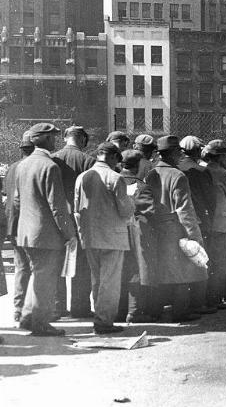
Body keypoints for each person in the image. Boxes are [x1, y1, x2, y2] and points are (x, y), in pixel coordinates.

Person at [9, 123, 77, 336]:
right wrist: (69, 234)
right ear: (46, 140)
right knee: (45, 279)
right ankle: (40, 323)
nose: (55, 139)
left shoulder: (22, 165)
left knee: (36, 274)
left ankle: (28, 317)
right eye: (53, 136)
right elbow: (57, 207)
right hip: (46, 235)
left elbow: (17, 201)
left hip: (26, 232)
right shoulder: (50, 166)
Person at [74, 142, 135, 334]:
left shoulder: (82, 177)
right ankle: (104, 321)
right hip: (113, 237)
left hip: (90, 236)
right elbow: (125, 210)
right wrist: (131, 200)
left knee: (97, 278)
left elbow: (77, 210)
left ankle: (99, 315)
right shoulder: (115, 178)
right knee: (110, 281)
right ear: (114, 157)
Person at [146, 136, 207, 322]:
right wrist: (194, 235)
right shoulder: (178, 175)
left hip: (155, 226)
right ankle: (180, 312)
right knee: (181, 271)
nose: (181, 155)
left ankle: (156, 311)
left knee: (161, 269)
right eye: (178, 152)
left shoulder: (150, 173)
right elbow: (184, 209)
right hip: (175, 227)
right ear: (172, 153)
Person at [52, 125, 95, 318]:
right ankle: (81, 308)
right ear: (83, 139)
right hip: (81, 220)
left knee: (58, 264)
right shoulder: (89, 161)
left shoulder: (52, 159)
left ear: (64, 138)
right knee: (82, 266)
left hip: (57, 220)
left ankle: (58, 307)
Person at [118, 149, 159, 322]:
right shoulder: (142, 186)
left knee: (119, 271)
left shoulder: (114, 182)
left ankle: (118, 312)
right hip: (136, 233)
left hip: (117, 231)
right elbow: (150, 211)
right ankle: (134, 312)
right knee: (136, 269)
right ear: (138, 165)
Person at [177, 136, 217, 314]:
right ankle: (199, 302)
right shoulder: (201, 171)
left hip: (176, 221)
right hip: (200, 219)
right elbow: (211, 200)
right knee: (201, 259)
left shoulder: (176, 169)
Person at [203, 140, 226, 309]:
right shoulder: (221, 172)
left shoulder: (203, 169)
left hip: (207, 221)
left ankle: (207, 297)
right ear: (220, 157)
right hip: (221, 222)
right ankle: (216, 298)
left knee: (209, 260)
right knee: (220, 261)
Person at [4, 131, 34, 322]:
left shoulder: (12, 168)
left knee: (21, 268)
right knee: (37, 268)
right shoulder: (31, 167)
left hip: (13, 225)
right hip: (29, 224)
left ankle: (18, 308)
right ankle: (29, 309)